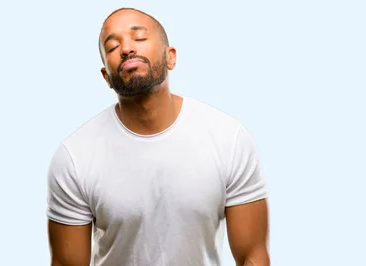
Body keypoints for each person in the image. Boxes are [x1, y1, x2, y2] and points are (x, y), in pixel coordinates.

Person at [46, 7, 270, 266]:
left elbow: (252, 255)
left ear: (170, 57)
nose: (127, 48)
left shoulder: (229, 139)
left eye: (139, 38)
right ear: (106, 76)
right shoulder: (75, 156)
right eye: (112, 46)